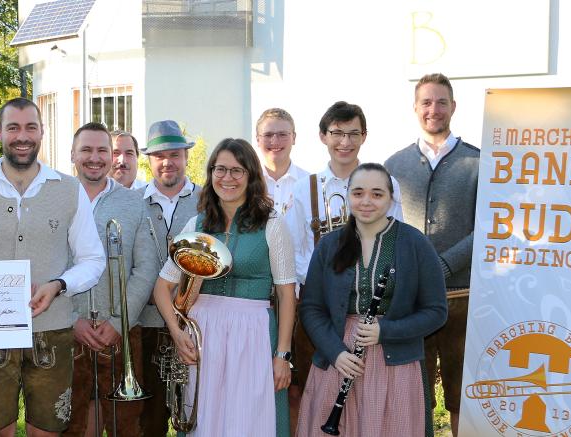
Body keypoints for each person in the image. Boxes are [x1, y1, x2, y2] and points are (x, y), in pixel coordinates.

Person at [0, 98, 105, 437]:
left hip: (53, 330)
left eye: (30, 127)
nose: (22, 136)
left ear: (42, 132)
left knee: (46, 430)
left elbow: (92, 259)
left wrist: (58, 284)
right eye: (13, 127)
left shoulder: (69, 189)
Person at [153, 138, 296, 437]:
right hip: (203, 332)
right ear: (211, 173)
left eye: (236, 170)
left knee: (251, 420)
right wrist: (177, 333)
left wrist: (282, 355)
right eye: (220, 169)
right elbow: (162, 287)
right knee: (204, 418)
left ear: (251, 176)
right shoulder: (197, 223)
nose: (227, 178)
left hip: (254, 332)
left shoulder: (272, 224)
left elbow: (286, 294)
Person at [296, 163, 447, 437]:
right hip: (339, 358)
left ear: (391, 199)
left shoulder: (415, 243)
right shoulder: (329, 244)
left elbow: (436, 311)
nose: (366, 201)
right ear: (349, 195)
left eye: (377, 194)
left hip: (395, 364)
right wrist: (336, 353)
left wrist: (385, 331)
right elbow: (311, 308)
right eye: (358, 193)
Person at [384, 73, 479, 437]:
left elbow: (486, 227)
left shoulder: (477, 161)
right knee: (413, 396)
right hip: (410, 300)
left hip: (462, 300)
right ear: (415, 108)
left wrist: (442, 264)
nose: (433, 110)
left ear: (453, 107)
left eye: (441, 102)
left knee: (461, 397)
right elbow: (384, 226)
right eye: (426, 102)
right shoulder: (393, 164)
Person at [64, 123, 159, 437]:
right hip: (66, 331)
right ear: (73, 155)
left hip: (120, 332)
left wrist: (119, 321)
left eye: (102, 150)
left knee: (125, 425)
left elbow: (145, 269)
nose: (95, 157)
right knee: (70, 424)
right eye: (86, 150)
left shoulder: (133, 203)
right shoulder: (56, 198)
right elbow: (43, 266)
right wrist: (72, 319)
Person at [135, 120, 202, 437]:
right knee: (150, 419)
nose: (167, 162)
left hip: (197, 324)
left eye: (174, 154)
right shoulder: (132, 202)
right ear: (148, 159)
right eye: (160, 155)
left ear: (186, 156)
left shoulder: (208, 201)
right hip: (147, 323)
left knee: (197, 410)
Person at [254, 107, 315, 433]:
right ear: (258, 139)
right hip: (256, 298)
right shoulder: (244, 184)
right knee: (259, 382)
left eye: (282, 134)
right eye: (268, 135)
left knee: (297, 383)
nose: (275, 141)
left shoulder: (311, 184)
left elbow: (310, 244)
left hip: (300, 296)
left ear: (294, 138)